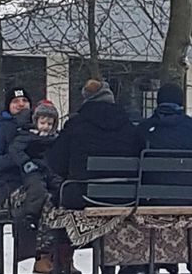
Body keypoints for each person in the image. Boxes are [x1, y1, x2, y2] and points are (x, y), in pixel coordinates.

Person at [47, 80, 144, 209]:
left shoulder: (75, 125)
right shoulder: (130, 127)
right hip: (125, 196)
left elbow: (56, 163)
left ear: (87, 98)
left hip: (83, 197)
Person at [8, 100, 62, 272]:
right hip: (32, 170)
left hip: (49, 170)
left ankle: (59, 254)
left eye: (49, 123)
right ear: (36, 121)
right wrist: (26, 163)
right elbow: (15, 150)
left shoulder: (55, 139)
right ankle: (31, 215)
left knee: (58, 189)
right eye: (43, 122)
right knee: (37, 189)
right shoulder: (27, 136)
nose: (45, 127)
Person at [0, 86, 32, 205]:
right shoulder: (0, 128)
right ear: (8, 106)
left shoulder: (40, 125)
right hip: (9, 183)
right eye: (15, 101)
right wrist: (19, 158)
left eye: (24, 100)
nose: (21, 104)